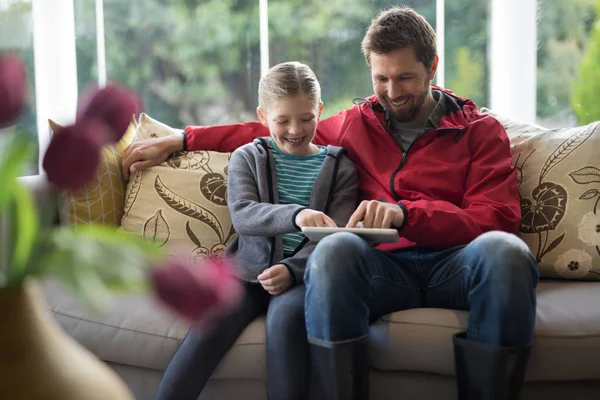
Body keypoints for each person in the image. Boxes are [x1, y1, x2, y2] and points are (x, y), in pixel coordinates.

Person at [123, 7, 539, 400]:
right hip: (381, 268)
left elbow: (497, 219)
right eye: (381, 78)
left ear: (432, 67)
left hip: (458, 263)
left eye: (405, 78)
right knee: (337, 249)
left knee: (506, 253)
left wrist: (407, 214)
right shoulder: (358, 122)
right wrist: (181, 139)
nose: (392, 92)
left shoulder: (479, 131)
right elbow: (276, 131)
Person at [152, 61, 359, 400]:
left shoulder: (341, 168)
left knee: (284, 324)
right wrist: (297, 215)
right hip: (244, 276)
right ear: (263, 116)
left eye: (306, 118)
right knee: (209, 325)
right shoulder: (247, 157)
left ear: (320, 111)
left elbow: (336, 238)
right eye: (283, 120)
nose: (295, 129)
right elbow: (244, 214)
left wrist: (292, 270)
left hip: (301, 279)